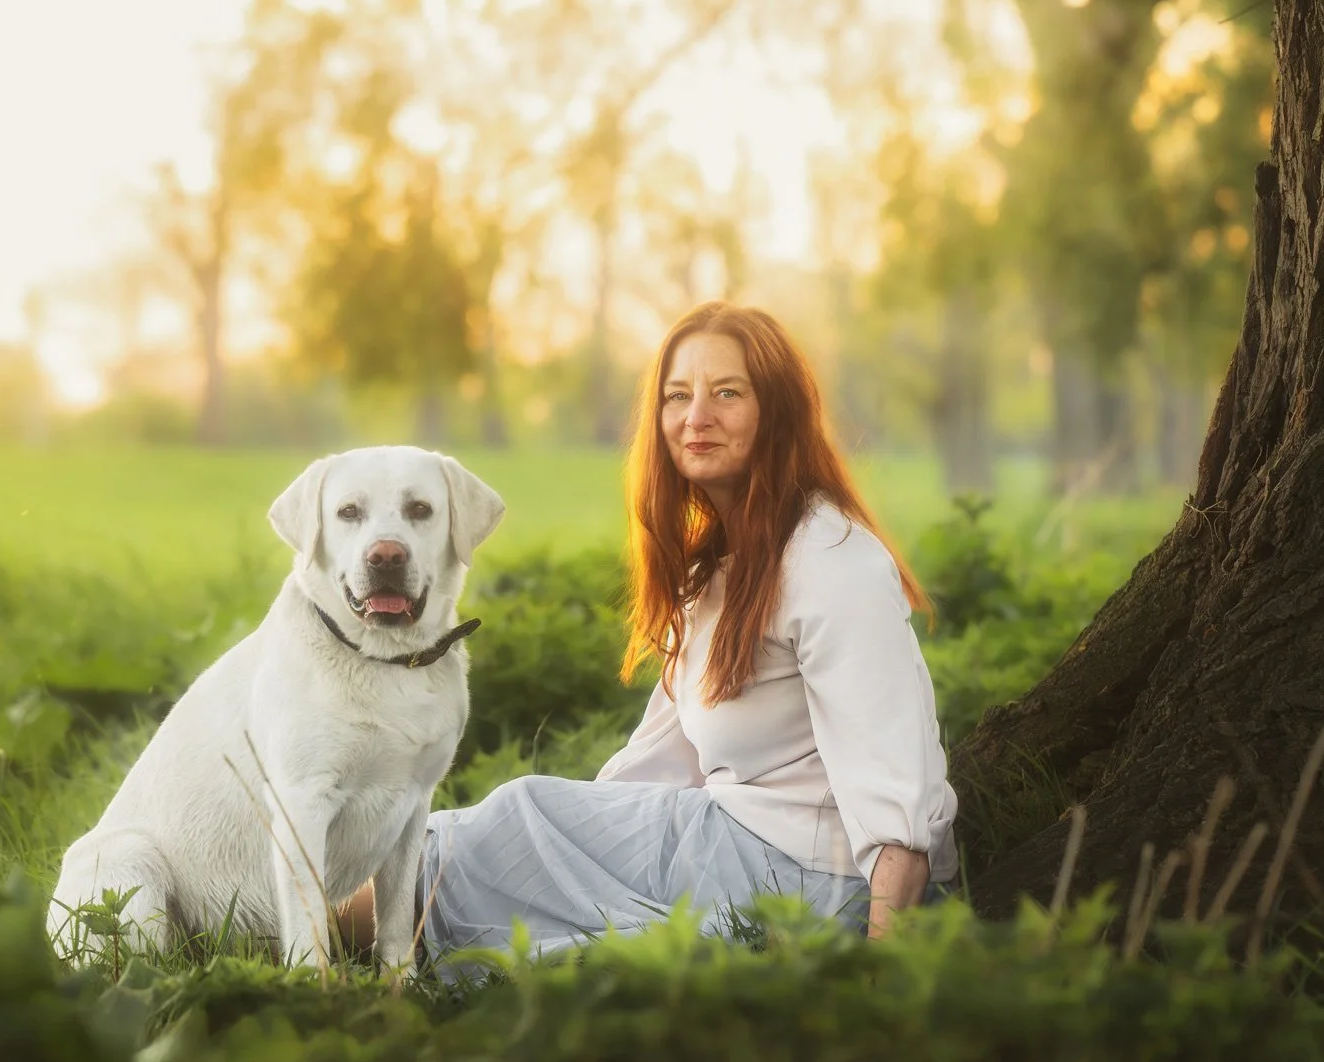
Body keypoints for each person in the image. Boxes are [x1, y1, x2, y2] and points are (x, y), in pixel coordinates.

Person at [341, 301, 959, 971]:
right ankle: (255, 907)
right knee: (494, 832)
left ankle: (279, 935)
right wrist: (577, 842)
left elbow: (900, 795)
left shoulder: (832, 560)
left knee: (512, 835)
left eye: (727, 393)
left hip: (812, 879)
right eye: (677, 396)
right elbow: (663, 756)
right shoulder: (714, 568)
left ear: (777, 412)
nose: (696, 417)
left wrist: (887, 977)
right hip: (726, 844)